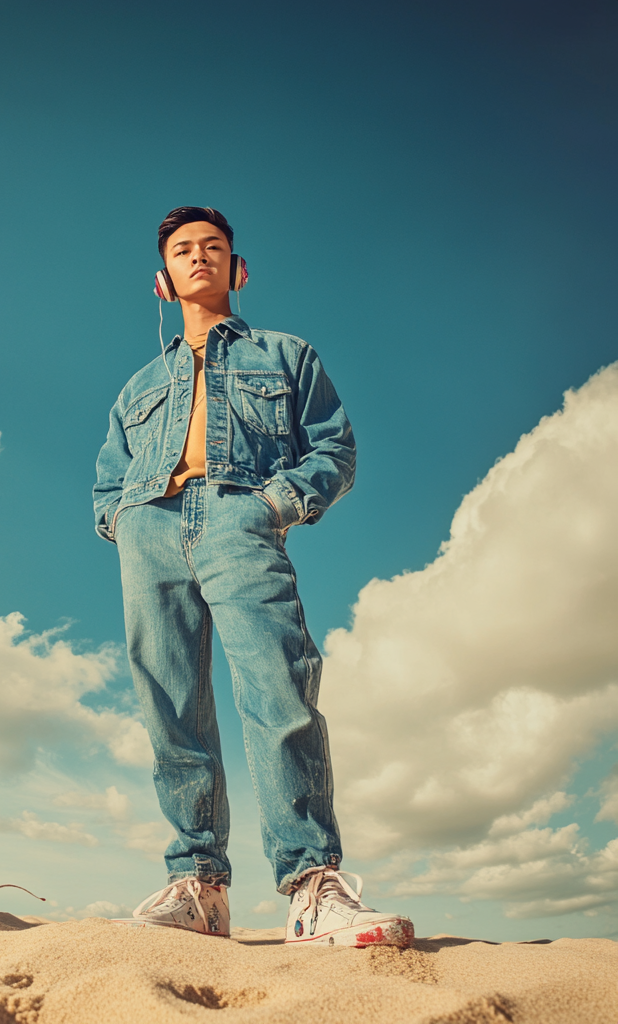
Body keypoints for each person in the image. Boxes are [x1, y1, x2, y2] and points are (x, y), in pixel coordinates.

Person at [92, 206, 413, 947]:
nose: (198, 256)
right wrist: (127, 523)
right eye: (182, 250)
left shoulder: (286, 354)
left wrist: (271, 506)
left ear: (238, 270)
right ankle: (199, 888)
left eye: (213, 247)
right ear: (162, 280)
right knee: (168, 708)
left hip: (242, 517)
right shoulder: (136, 385)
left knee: (278, 689)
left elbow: (336, 450)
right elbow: (107, 482)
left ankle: (310, 886)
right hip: (152, 528)